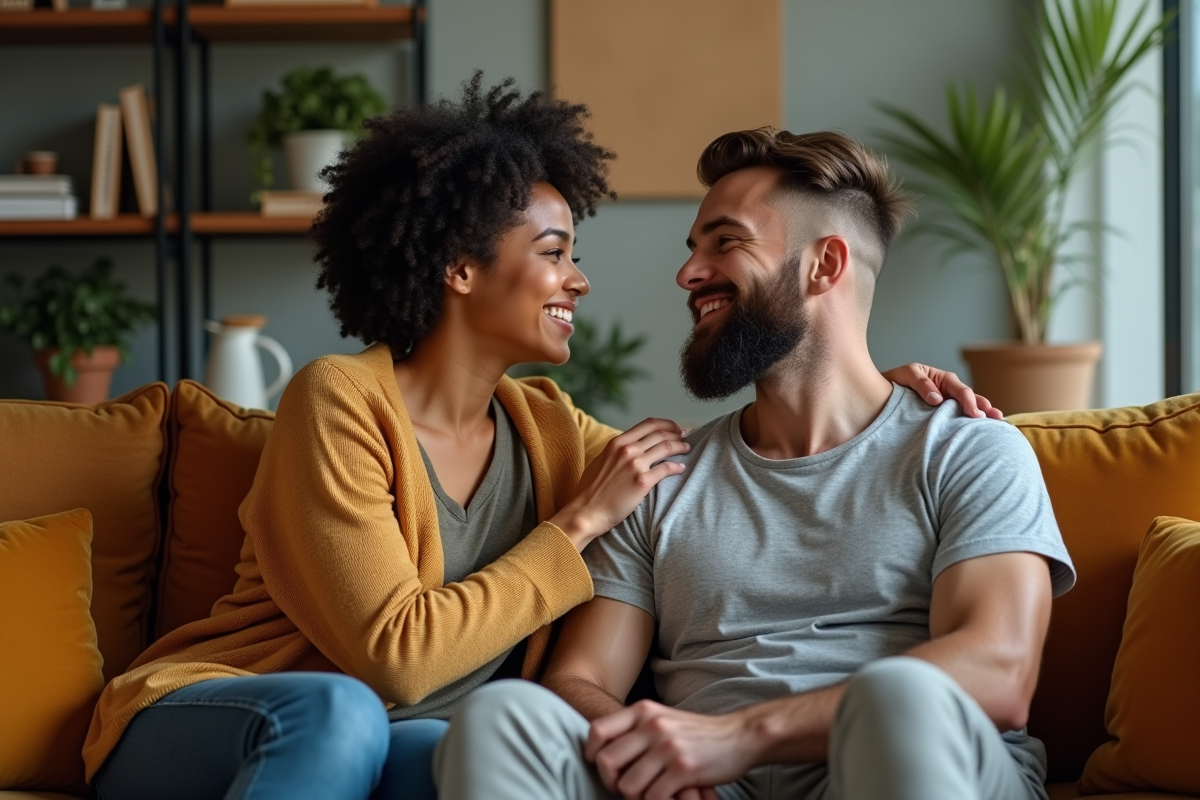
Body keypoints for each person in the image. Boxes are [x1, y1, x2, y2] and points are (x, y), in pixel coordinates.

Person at [83, 77, 997, 800]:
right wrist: (573, 529)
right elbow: (396, 662)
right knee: (341, 717)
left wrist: (895, 387)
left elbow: (726, 444)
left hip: (408, 735)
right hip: (223, 717)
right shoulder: (338, 401)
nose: (580, 280)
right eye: (555, 252)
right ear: (462, 269)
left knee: (451, 755)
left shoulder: (551, 432)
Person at [433, 128, 1076, 800]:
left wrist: (736, 737)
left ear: (824, 266)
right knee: (502, 719)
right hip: (709, 788)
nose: (688, 274)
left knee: (901, 699)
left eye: (726, 241)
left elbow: (998, 673)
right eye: (693, 250)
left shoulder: (967, 448)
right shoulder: (661, 477)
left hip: (899, 768)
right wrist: (648, 755)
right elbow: (580, 680)